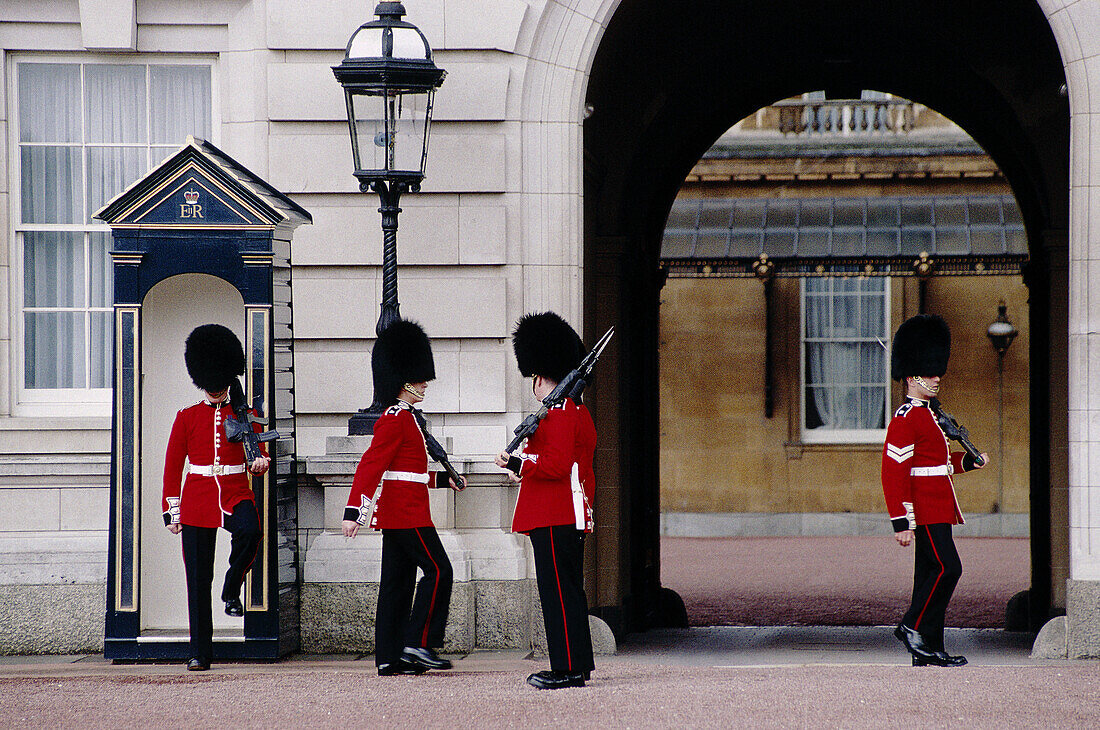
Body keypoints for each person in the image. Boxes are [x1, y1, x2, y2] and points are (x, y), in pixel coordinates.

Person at [342, 319, 464, 676]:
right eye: (420, 376)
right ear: (405, 379)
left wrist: (444, 480)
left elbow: (408, 473)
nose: (426, 382)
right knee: (440, 570)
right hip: (405, 514)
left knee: (397, 585)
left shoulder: (410, 419)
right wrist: (354, 512)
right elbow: (371, 466)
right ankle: (418, 643)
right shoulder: (395, 419)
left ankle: (389, 656)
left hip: (404, 510)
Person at [495, 312, 597, 690]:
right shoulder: (576, 412)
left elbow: (555, 465)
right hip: (568, 513)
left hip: (554, 514)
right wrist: (524, 466)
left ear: (540, 376)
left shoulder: (557, 414)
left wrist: (519, 460)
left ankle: (567, 668)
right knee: (568, 591)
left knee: (557, 594)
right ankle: (577, 664)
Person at [882, 314, 988, 667]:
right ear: (913, 376)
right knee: (948, 569)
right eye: (930, 373)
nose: (936, 377)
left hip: (939, 505)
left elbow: (938, 464)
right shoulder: (906, 417)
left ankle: (929, 648)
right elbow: (894, 472)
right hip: (924, 508)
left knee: (929, 574)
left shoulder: (930, 415)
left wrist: (970, 462)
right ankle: (911, 625)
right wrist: (901, 521)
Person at [163, 324, 271, 671]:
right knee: (197, 579)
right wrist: (172, 509)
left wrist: (259, 463)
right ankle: (199, 651)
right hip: (197, 499)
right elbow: (173, 466)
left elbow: (260, 458)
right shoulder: (187, 417)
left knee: (251, 532)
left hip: (236, 492)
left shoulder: (245, 415)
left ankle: (232, 585)